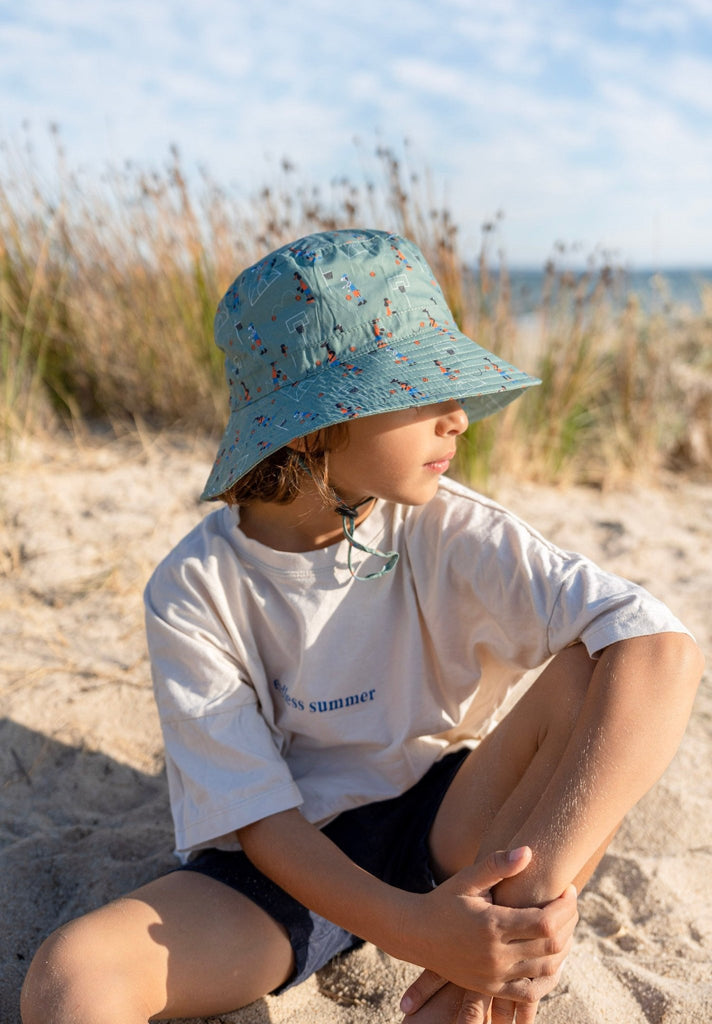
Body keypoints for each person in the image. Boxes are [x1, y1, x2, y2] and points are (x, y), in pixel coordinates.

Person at [21, 228, 703, 1024]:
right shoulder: (193, 589)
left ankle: (491, 962)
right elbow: (264, 823)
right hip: (286, 867)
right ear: (315, 423)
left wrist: (502, 933)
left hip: (452, 822)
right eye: (422, 388)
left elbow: (664, 651)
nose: (458, 417)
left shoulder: (450, 529)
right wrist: (419, 932)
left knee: (606, 661)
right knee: (71, 980)